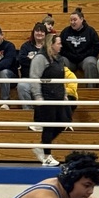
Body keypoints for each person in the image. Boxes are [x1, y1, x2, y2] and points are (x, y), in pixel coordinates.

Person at [30, 33, 73, 167]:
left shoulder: (59, 59)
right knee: (48, 127)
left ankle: (42, 147)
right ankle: (47, 156)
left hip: (59, 96)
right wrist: (38, 97)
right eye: (58, 43)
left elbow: (61, 79)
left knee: (65, 121)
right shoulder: (40, 58)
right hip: (46, 97)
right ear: (51, 44)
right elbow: (34, 77)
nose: (61, 45)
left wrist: (64, 94)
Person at [59, 7, 99, 84]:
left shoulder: (90, 31)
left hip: (85, 59)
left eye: (75, 20)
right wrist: (70, 55)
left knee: (90, 63)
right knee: (61, 61)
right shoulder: (65, 32)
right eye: (71, 20)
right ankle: (63, 90)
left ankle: (92, 90)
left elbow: (97, 48)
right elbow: (60, 48)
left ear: (81, 19)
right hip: (70, 60)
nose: (72, 22)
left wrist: (83, 55)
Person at [15, 21, 47, 106]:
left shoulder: (48, 48)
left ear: (45, 34)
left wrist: (31, 60)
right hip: (27, 78)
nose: (39, 33)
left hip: (44, 80)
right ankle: (28, 111)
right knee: (21, 86)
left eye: (42, 31)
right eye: (37, 31)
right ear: (33, 33)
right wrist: (39, 63)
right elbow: (21, 60)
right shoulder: (26, 46)